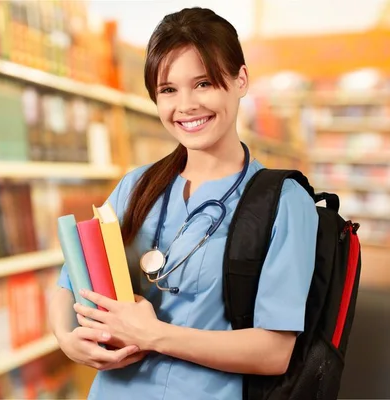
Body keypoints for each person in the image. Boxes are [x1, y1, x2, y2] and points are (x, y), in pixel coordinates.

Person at [48, 7, 318, 400]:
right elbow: (68, 281)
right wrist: (66, 338)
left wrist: (155, 335)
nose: (186, 105)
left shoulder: (284, 202)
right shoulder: (136, 186)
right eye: (168, 90)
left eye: (203, 83)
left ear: (240, 80)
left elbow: (274, 352)